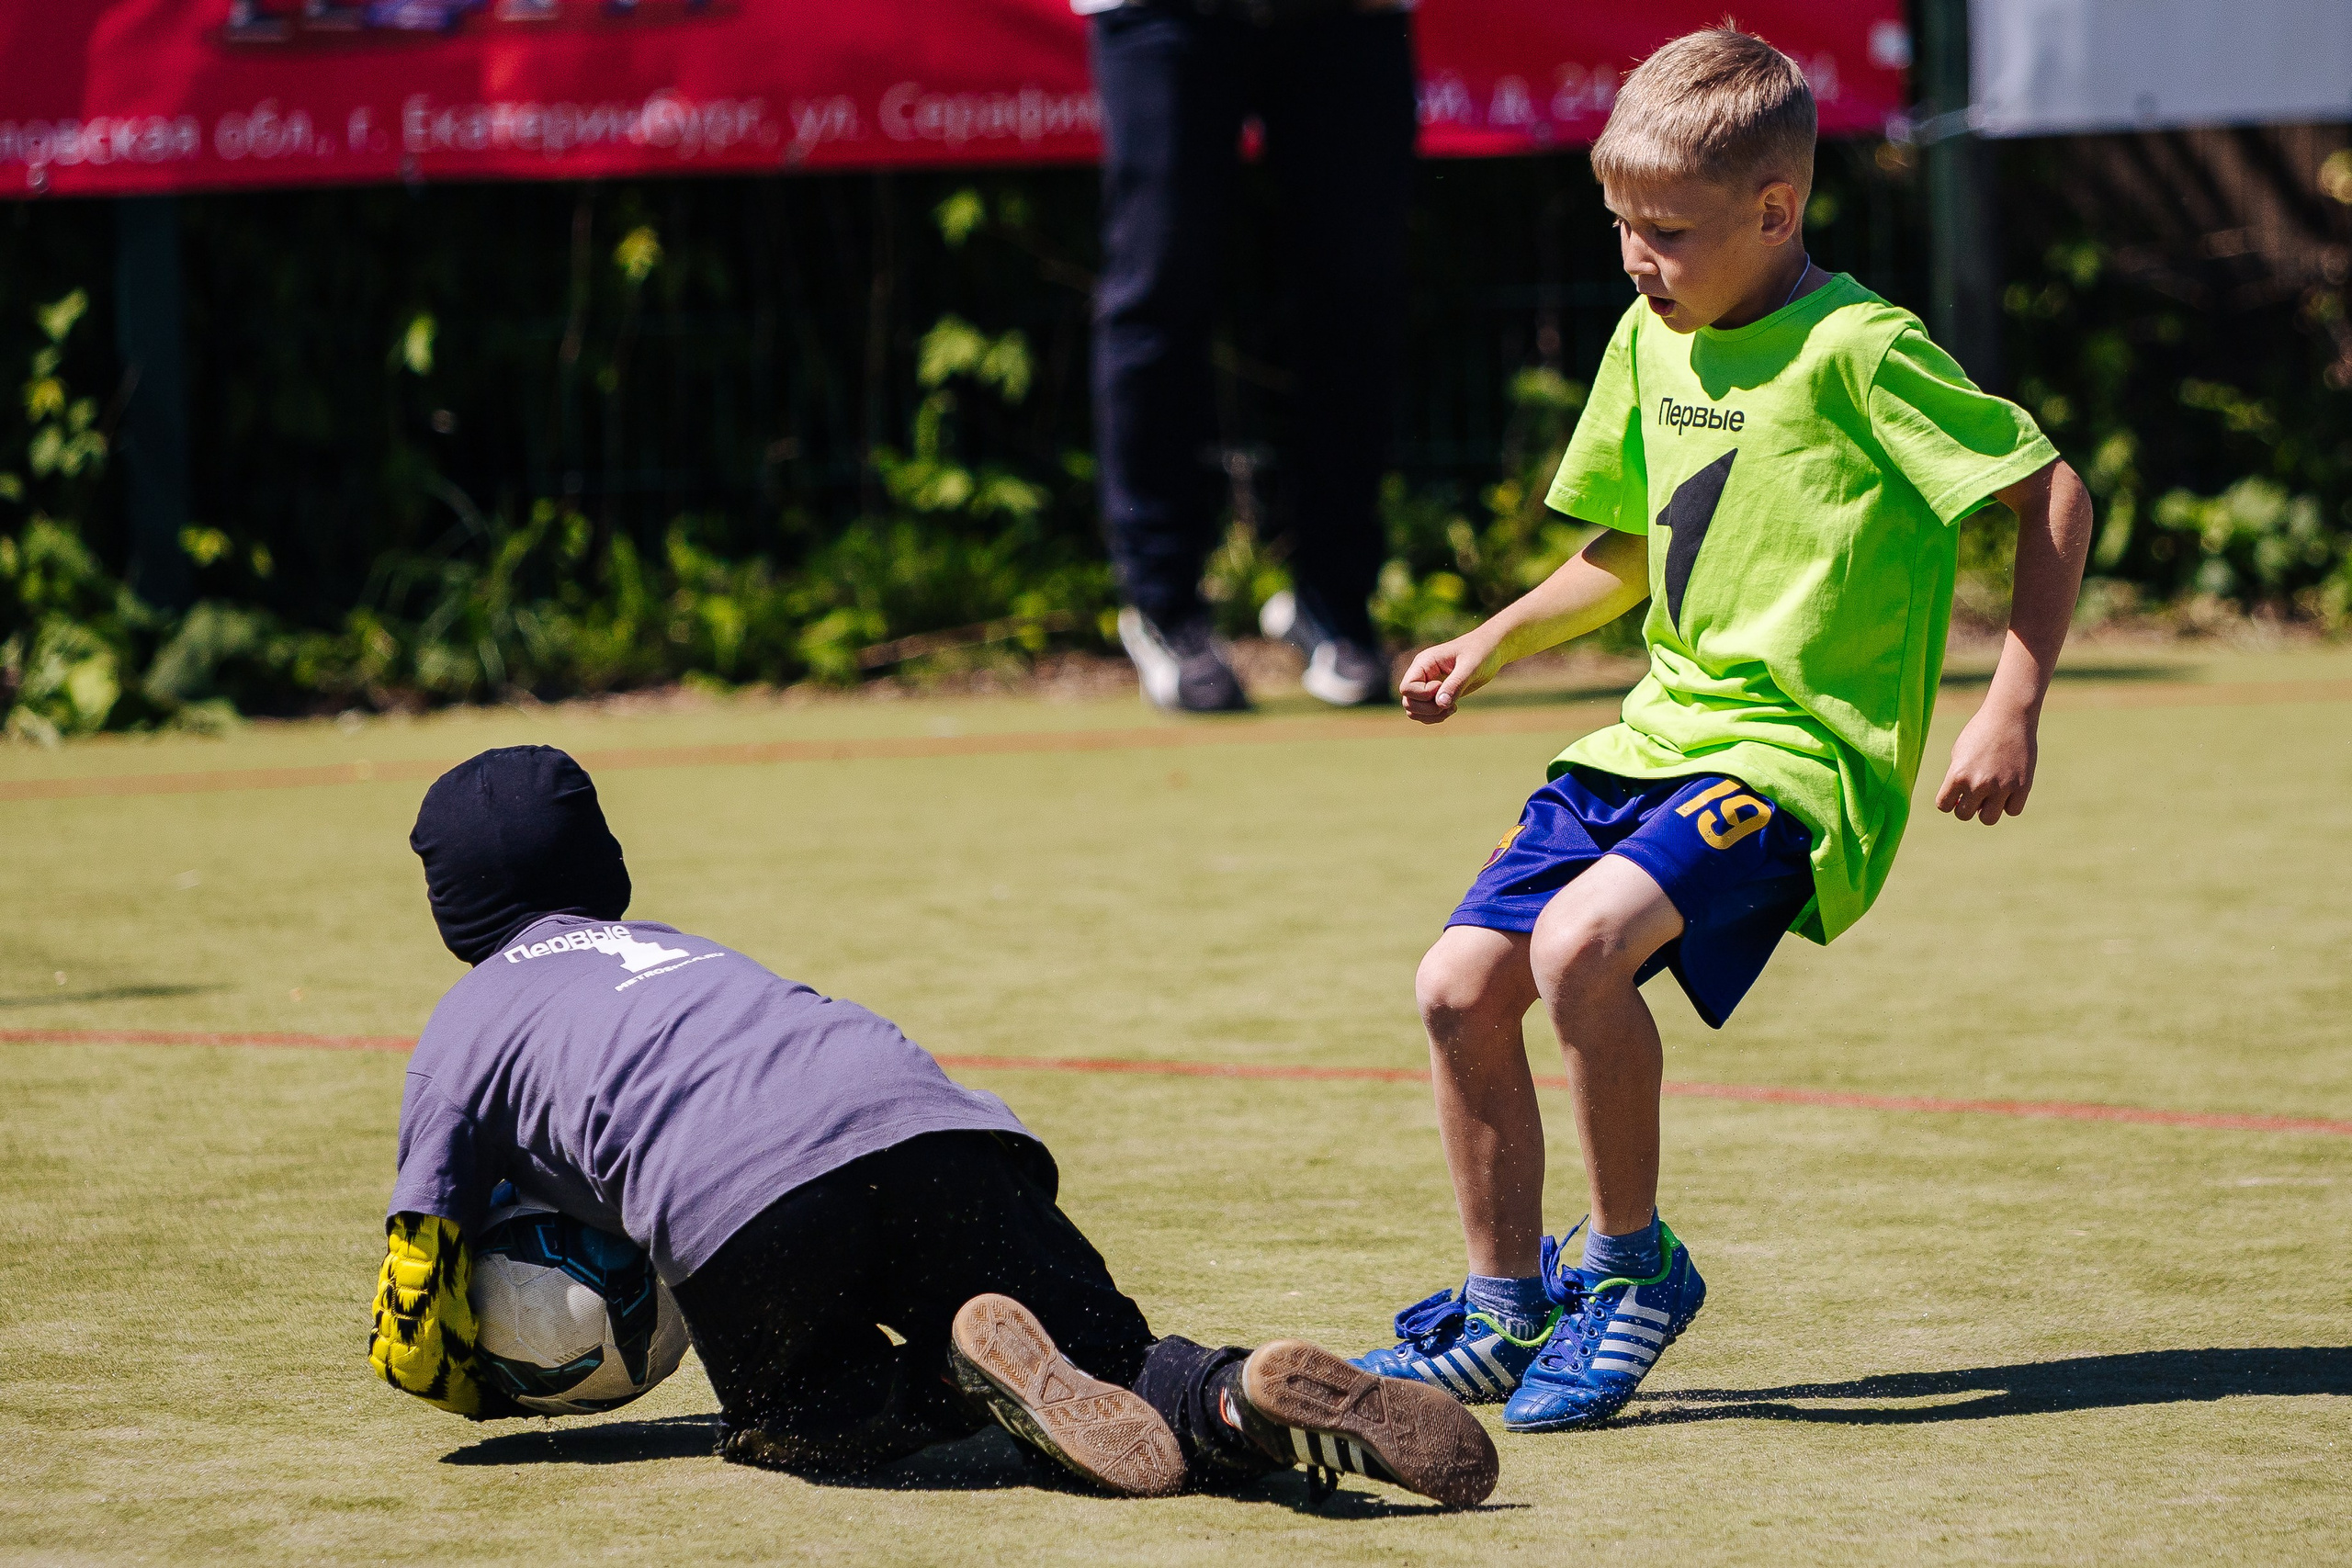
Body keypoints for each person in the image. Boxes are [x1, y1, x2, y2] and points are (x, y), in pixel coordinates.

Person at [1348, 28, 2094, 1432]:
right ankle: (1504, 1307)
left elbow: (2050, 494)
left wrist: (2011, 697)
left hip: (1794, 762)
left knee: (1578, 948)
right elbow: (1634, 547)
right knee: (1455, 987)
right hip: (1646, 742)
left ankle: (1631, 1267)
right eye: (1621, 224)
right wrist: (1494, 643)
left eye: (1667, 231)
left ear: (1776, 208)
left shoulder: (1861, 348)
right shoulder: (1652, 337)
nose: (1636, 258)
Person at [367, 746, 1497, 1506]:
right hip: (935, 1127)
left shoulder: (465, 1028)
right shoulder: (679, 948)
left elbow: (417, 1284)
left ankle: (959, 1383)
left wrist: (473, 1381)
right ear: (602, 866)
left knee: (798, 1420)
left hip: (746, 1205)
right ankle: (1234, 1393)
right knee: (1116, 1355)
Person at [1083, 0, 1415, 712]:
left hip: (1354, 15)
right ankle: (1162, 604)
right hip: (1161, 15)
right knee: (1158, 292)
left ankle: (1336, 601)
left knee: (1355, 294)